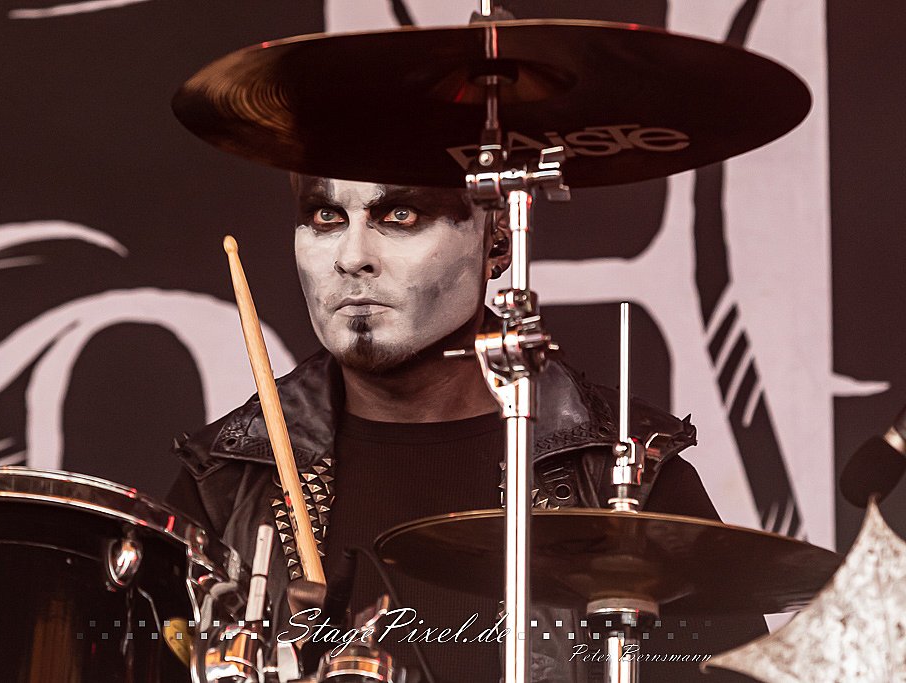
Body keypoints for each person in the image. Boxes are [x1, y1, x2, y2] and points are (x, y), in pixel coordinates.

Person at [166, 176, 762, 682]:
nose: (352, 256)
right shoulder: (224, 488)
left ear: (496, 238)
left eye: (399, 215)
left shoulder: (624, 477)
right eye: (326, 217)